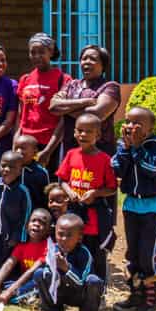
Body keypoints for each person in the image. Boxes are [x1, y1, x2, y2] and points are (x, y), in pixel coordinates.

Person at [112, 106, 156, 311]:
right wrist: (127, 149)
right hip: (131, 205)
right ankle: (135, 295)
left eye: (137, 124)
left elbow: (152, 169)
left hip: (153, 206)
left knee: (148, 254)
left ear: (150, 128)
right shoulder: (123, 145)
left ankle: (151, 302)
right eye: (127, 121)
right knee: (133, 253)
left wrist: (137, 147)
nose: (130, 127)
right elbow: (118, 169)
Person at [56, 112, 117, 281]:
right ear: (74, 132)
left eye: (88, 131)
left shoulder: (104, 159)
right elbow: (62, 180)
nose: (83, 135)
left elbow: (112, 188)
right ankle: (74, 282)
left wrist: (95, 193)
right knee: (75, 249)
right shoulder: (71, 154)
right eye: (79, 131)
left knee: (96, 252)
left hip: (94, 217)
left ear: (98, 134)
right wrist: (69, 191)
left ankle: (98, 288)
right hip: (74, 212)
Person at [50, 45, 121, 158]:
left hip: (99, 152)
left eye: (92, 59)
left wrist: (65, 109)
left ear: (103, 65)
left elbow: (97, 114)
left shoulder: (110, 87)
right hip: (71, 151)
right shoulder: (71, 85)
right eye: (84, 58)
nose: (87, 62)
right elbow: (53, 107)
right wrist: (85, 102)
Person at [35, 213, 104, 311]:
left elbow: (81, 282)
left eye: (69, 235)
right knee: (39, 273)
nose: (63, 239)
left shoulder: (84, 254)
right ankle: (52, 308)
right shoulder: (53, 250)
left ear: (80, 237)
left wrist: (66, 269)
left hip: (79, 295)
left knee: (94, 281)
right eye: (60, 234)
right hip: (60, 292)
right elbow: (48, 273)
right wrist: (53, 272)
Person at [15, 33, 69, 167]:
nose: (36, 56)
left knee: (48, 184)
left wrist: (48, 151)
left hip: (50, 143)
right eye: (32, 52)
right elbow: (21, 115)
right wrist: (16, 141)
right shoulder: (25, 79)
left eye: (41, 52)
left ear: (50, 52)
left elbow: (63, 119)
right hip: (26, 143)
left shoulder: (63, 79)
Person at [0, 209, 52, 305]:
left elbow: (31, 271)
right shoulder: (22, 246)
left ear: (48, 230)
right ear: (26, 226)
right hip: (20, 281)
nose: (37, 224)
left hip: (32, 282)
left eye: (42, 223)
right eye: (33, 220)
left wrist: (10, 291)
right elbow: (9, 263)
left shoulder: (48, 246)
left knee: (37, 285)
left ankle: (16, 295)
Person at [0, 151, 32, 285]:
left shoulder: (22, 191)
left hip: (11, 235)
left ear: (19, 171)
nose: (6, 170)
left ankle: (2, 283)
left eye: (11, 167)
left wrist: (18, 236)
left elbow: (26, 216)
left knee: (8, 261)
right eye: (3, 165)